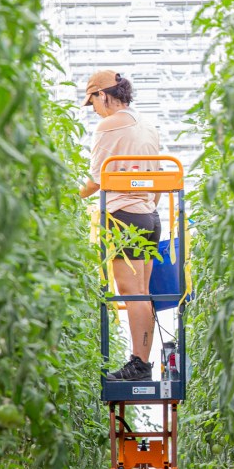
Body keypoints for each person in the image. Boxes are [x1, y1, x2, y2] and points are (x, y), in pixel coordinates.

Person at [78, 69, 162, 382]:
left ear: (104, 94)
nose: (94, 109)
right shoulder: (148, 124)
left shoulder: (107, 126)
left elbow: (96, 180)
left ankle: (139, 365)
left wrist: (67, 196)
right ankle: (142, 363)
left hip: (123, 215)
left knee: (132, 294)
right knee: (142, 293)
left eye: (94, 101)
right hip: (149, 217)